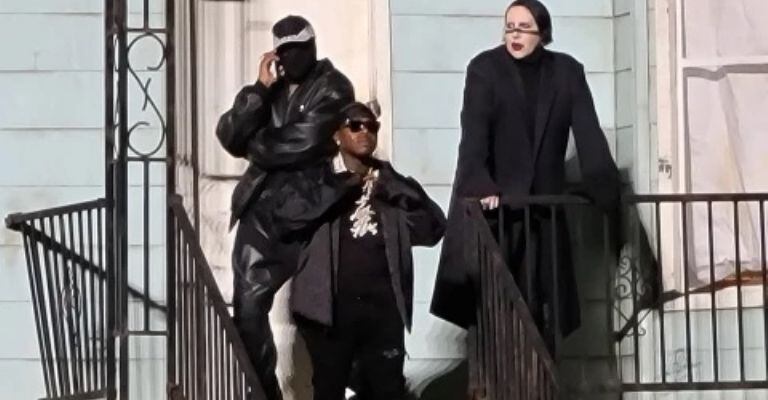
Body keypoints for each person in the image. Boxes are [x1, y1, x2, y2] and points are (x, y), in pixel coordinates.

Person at [431, 0, 621, 350]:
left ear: (542, 33)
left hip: (543, 213)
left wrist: (604, 187)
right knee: (494, 313)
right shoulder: (484, 69)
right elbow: (473, 137)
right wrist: (481, 184)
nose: (515, 35)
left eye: (524, 28)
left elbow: (589, 135)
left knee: (543, 315)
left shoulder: (566, 72)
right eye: (509, 27)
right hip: (496, 214)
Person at [215, 15, 354, 400]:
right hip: (261, 210)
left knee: (318, 314)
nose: (292, 56)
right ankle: (264, 393)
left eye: (299, 47)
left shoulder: (334, 86)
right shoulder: (270, 90)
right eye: (284, 50)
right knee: (247, 310)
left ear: (313, 46)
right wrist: (259, 90)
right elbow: (229, 134)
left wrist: (254, 145)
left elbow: (302, 142)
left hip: (310, 210)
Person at [290, 102, 447, 400]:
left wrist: (400, 187)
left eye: (371, 126)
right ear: (337, 135)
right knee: (329, 388)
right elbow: (290, 218)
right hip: (330, 310)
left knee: (387, 390)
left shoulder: (388, 184)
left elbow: (434, 229)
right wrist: (339, 188)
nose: (365, 132)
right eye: (355, 125)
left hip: (383, 309)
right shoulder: (317, 179)